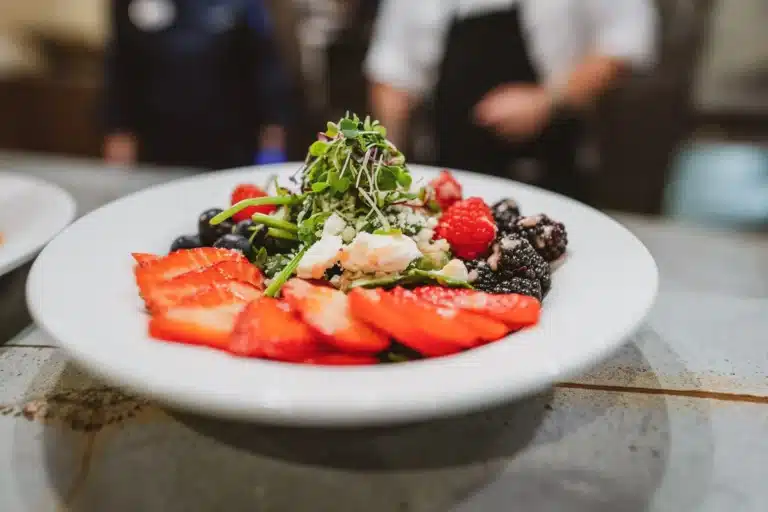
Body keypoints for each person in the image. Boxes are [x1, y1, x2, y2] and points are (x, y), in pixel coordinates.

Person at [365, 0, 658, 200]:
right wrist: (385, 158)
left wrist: (548, 100)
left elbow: (623, 40)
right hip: (448, 171)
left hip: (551, 171)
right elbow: (393, 73)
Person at [103, 0, 292, 169]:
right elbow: (120, 67)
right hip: (156, 145)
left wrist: (273, 140)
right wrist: (117, 132)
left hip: (229, 144)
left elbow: (266, 69)